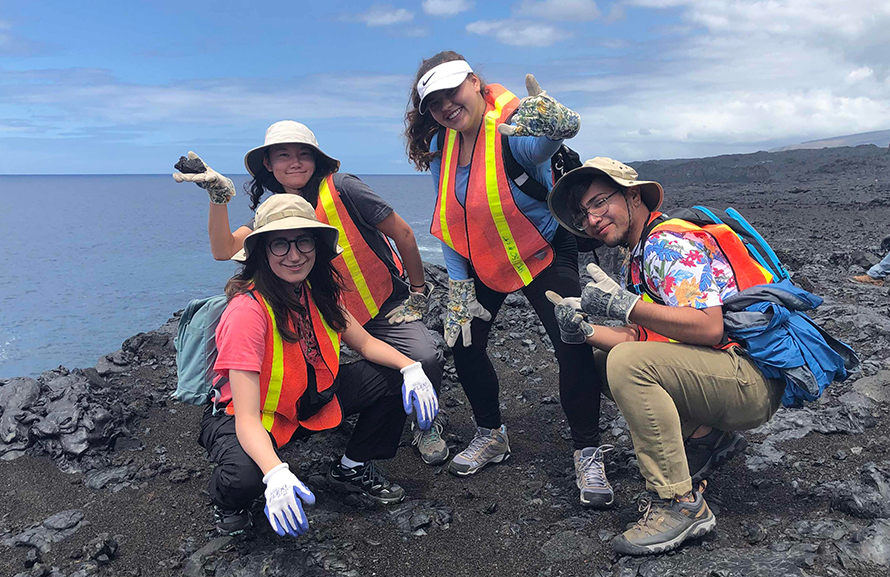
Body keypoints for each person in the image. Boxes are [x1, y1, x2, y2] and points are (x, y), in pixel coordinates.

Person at [545, 157, 786, 555]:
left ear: (633, 196)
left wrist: (625, 305)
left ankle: (679, 503)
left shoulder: (665, 243)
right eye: (584, 213)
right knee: (607, 358)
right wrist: (585, 331)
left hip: (748, 380)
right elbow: (643, 333)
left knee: (626, 363)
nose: (592, 218)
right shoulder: (637, 254)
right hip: (725, 374)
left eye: (600, 202)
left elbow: (708, 327)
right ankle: (708, 437)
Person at [404, 51, 611, 507]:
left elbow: (539, 146)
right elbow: (450, 220)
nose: (445, 106)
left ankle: (588, 451)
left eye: (451, 92)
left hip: (544, 251)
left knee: (572, 338)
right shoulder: (445, 150)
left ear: (475, 82)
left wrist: (557, 125)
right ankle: (491, 434)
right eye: (434, 102)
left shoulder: (514, 127)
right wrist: (458, 288)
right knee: (462, 340)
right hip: (486, 262)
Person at [173, 121, 447, 466]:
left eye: (304, 154)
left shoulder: (343, 186)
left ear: (318, 161)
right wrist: (219, 198)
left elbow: (403, 233)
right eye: (283, 155)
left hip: (378, 308)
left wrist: (417, 292)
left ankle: (426, 424)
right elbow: (224, 249)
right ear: (268, 165)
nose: (295, 163)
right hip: (329, 312)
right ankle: (293, 419)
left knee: (425, 357)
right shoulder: (275, 213)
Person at [198, 194, 439, 536]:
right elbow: (247, 417)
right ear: (262, 251)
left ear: (317, 245)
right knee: (245, 478)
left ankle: (351, 468)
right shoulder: (247, 312)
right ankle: (226, 503)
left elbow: (366, 344)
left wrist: (412, 369)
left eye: (303, 241)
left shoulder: (319, 291)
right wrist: (275, 472)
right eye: (280, 244)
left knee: (392, 376)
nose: (294, 255)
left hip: (305, 402)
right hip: (248, 416)